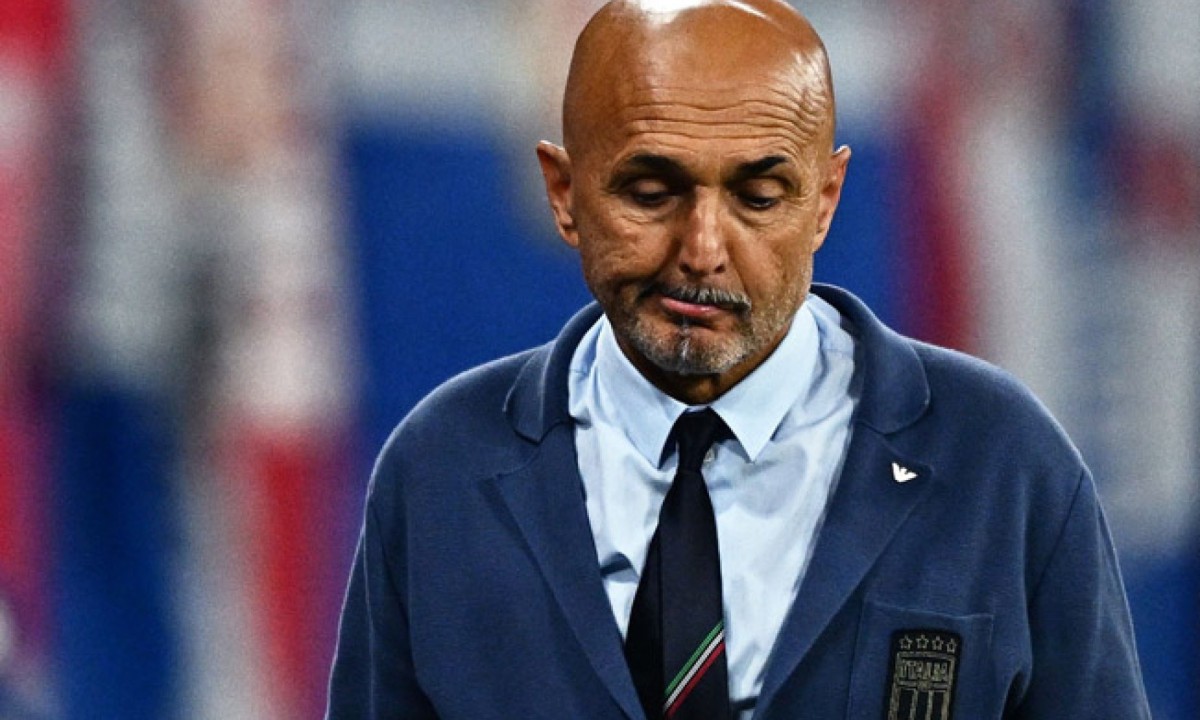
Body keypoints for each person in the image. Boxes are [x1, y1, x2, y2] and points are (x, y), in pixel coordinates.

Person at [325, 1, 1151, 718]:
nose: (704, 249)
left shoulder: (1001, 462)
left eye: (758, 197)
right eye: (652, 191)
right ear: (564, 191)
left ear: (825, 200)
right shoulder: (440, 472)